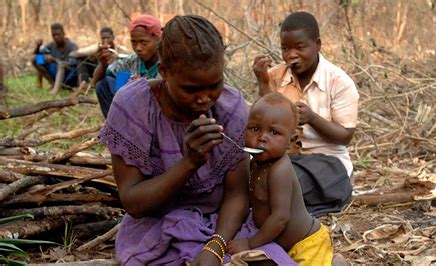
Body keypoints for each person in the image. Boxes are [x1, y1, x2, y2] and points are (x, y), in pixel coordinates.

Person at [99, 15, 295, 265]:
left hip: (224, 224)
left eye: (215, 85)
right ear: (164, 72)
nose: (204, 99)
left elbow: (237, 194)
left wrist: (215, 246)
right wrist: (189, 162)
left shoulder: (230, 108)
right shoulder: (134, 107)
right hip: (155, 229)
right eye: (190, 89)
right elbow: (133, 203)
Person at [253, 11, 359, 217]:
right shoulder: (275, 76)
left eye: (300, 48)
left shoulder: (339, 82)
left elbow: (345, 137)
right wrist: (262, 82)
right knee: (251, 176)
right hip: (286, 159)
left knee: (281, 183)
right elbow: (266, 120)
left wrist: (312, 118)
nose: (292, 55)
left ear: (317, 45)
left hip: (327, 162)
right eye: (285, 48)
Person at [227, 92, 333, 265]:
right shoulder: (255, 163)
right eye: (254, 129)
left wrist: (250, 244)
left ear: (291, 141)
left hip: (306, 243)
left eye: (274, 132)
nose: (262, 137)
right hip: (278, 243)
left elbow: (280, 217)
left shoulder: (279, 171)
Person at [94, 14, 162, 118]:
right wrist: (103, 64)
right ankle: (116, 127)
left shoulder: (168, 62)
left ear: (157, 40)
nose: (138, 48)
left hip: (159, 114)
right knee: (103, 84)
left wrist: (143, 85)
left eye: (143, 42)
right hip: (134, 111)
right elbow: (96, 81)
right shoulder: (133, 61)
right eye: (133, 42)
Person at [31, 23, 78, 95]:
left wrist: (55, 61)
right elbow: (35, 56)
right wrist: (38, 46)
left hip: (69, 76)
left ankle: (55, 91)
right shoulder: (51, 45)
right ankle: (51, 83)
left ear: (63, 33)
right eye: (54, 35)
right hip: (55, 73)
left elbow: (73, 64)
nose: (56, 37)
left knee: (61, 65)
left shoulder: (72, 46)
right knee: (36, 59)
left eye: (58, 35)